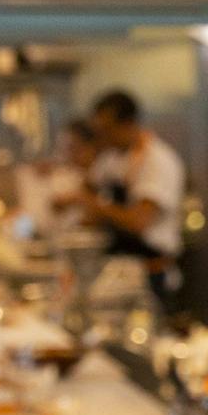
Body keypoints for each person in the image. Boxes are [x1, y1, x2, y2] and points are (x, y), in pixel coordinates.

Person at [72, 89, 186, 302]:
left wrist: (97, 207)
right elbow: (88, 187)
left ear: (128, 124)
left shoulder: (158, 162)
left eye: (107, 130)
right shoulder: (113, 157)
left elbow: (139, 221)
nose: (103, 138)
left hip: (150, 274)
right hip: (117, 269)